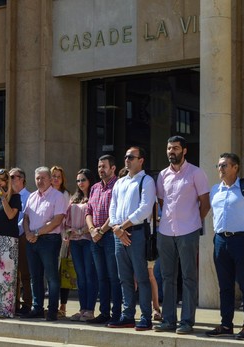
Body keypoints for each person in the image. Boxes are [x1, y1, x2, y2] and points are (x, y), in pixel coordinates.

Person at [206, 153, 244, 340]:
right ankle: (226, 325)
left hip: (243, 240)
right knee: (225, 286)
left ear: (235, 167)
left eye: (224, 165)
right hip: (220, 241)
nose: (220, 169)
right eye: (218, 166)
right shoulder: (215, 190)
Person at [154, 136, 210, 334]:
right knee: (167, 277)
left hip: (188, 231)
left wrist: (194, 220)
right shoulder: (162, 175)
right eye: (169, 148)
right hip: (166, 232)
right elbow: (162, 202)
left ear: (184, 151)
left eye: (176, 148)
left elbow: (205, 202)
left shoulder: (196, 173)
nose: (172, 152)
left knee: (188, 278)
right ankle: (168, 320)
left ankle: (187, 321)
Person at [108, 147, 156, 330]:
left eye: (131, 157)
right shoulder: (120, 182)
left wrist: (123, 227)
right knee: (124, 277)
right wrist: (116, 228)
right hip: (119, 234)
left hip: (136, 233)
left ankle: (146, 316)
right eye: (126, 156)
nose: (127, 160)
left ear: (141, 160)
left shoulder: (146, 181)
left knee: (142, 277)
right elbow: (113, 208)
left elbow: (145, 208)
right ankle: (127, 315)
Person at [23, 167, 68, 321]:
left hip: (49, 240)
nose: (40, 181)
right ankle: (37, 308)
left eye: (43, 178)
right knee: (35, 276)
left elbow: (57, 220)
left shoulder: (58, 196)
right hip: (31, 240)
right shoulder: (32, 196)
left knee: (51, 277)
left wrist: (37, 233)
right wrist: (28, 233)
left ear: (50, 179)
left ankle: (53, 310)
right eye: (37, 178)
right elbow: (26, 218)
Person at [86, 154, 121, 325]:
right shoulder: (94, 188)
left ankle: (116, 314)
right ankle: (104, 312)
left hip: (110, 235)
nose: (100, 169)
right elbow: (88, 211)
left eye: (104, 166)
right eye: (99, 166)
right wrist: (93, 230)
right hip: (95, 237)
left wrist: (101, 230)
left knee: (114, 276)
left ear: (113, 168)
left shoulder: (118, 186)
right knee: (102, 277)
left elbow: (115, 213)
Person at [0, 168, 21, 318]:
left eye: (1, 179)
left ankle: (6, 310)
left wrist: (3, 198)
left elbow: (10, 215)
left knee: (7, 275)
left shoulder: (15, 197)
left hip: (9, 239)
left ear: (7, 181)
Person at [65, 169, 98, 322]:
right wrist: (69, 231)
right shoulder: (74, 198)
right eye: (78, 180)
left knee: (89, 275)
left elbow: (95, 218)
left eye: (83, 180)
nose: (80, 183)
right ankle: (82, 308)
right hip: (75, 241)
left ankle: (90, 309)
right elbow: (67, 219)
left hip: (88, 239)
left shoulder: (94, 196)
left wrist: (81, 230)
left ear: (90, 180)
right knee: (80, 276)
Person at [9, 167, 32, 316]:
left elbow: (25, 217)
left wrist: (15, 231)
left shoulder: (29, 196)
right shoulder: (9, 195)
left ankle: (27, 303)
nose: (10, 180)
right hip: (10, 237)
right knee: (11, 273)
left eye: (13, 177)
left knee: (25, 272)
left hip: (22, 235)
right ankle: (13, 302)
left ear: (21, 178)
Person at [50, 165, 71, 318]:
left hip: (62, 236)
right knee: (51, 273)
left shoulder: (65, 194)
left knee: (62, 272)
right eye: (53, 176)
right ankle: (52, 305)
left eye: (58, 176)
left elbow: (66, 216)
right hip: (48, 236)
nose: (56, 178)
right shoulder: (45, 194)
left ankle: (62, 305)